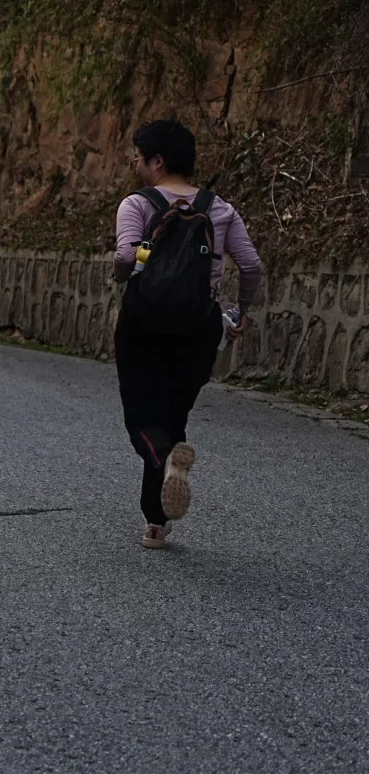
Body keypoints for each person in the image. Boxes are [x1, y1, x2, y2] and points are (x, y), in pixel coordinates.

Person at [113, 119, 262, 550]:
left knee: (142, 419)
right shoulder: (220, 209)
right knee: (171, 418)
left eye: (139, 159)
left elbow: (125, 255)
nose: (137, 167)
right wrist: (239, 312)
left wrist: (124, 270)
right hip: (198, 328)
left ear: (157, 162)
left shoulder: (137, 204)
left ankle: (164, 459)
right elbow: (251, 266)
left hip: (143, 324)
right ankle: (155, 525)